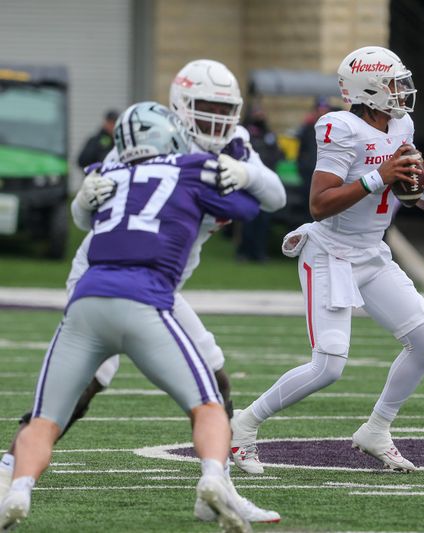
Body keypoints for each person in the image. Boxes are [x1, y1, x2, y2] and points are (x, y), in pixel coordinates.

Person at [0, 58, 286, 525]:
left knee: (215, 373)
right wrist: (81, 198)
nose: (216, 118)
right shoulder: (150, 136)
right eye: (205, 106)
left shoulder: (235, 146)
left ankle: (216, 488)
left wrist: (247, 172)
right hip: (111, 273)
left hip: (156, 282)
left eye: (223, 107)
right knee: (93, 380)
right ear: (179, 106)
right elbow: (85, 215)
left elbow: (269, 193)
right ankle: (8, 470)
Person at [228, 45, 424, 475]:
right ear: (369, 89)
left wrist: (423, 185)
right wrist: (377, 177)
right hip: (329, 252)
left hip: (372, 251)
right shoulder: (340, 128)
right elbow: (320, 204)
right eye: (393, 84)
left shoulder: (402, 125)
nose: (402, 91)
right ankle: (242, 426)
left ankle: (377, 429)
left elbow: (418, 199)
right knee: (328, 366)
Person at [236, 106, 285, 262]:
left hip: (265, 180)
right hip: (249, 181)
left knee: (263, 220)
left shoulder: (268, 134)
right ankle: (244, 252)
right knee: (248, 218)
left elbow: (278, 152)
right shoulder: (246, 134)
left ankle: (259, 252)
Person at [297, 97, 332, 214]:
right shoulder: (308, 128)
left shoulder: (332, 129)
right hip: (309, 171)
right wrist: (303, 166)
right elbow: (301, 151)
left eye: (324, 109)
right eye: (320, 109)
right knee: (307, 203)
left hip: (325, 171)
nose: (322, 111)